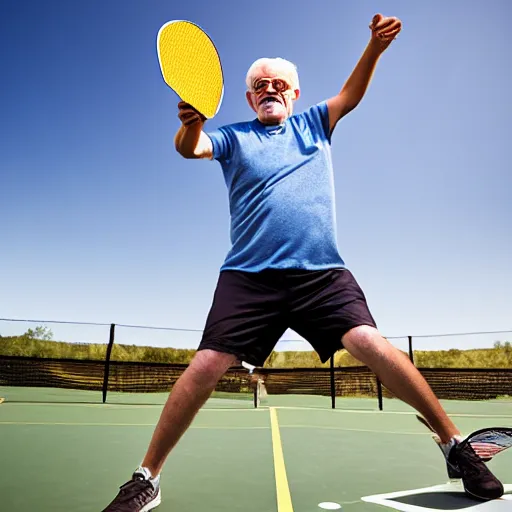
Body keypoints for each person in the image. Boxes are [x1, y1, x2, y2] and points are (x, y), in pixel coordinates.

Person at [102, 13, 504, 511]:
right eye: (260, 86)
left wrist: (374, 48)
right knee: (208, 362)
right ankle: (147, 479)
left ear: (293, 94)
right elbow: (191, 149)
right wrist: (191, 125)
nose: (270, 89)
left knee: (369, 343)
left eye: (280, 84)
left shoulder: (314, 122)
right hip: (248, 278)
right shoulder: (232, 137)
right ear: (249, 99)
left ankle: (454, 447)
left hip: (321, 274)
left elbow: (350, 96)